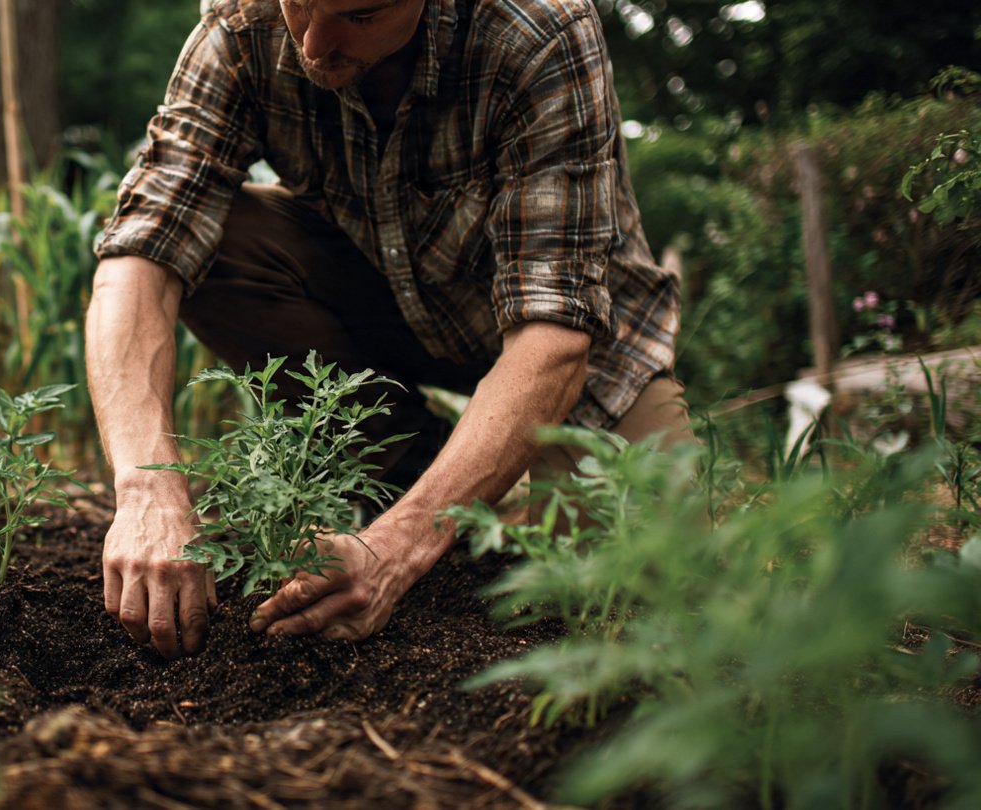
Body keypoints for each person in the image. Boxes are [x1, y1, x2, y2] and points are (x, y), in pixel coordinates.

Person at [84, 0, 692, 659]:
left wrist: (395, 550)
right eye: (299, 4)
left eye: (360, 14)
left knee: (649, 584)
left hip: (575, 352)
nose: (315, 43)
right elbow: (138, 255)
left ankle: (472, 505)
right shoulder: (244, 23)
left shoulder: (538, 30)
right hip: (386, 304)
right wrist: (148, 490)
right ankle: (411, 471)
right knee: (212, 242)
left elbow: (554, 336)